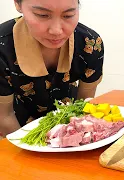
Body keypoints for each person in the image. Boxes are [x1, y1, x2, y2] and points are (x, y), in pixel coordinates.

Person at [0, 0, 104, 136]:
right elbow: (4, 116)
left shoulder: (90, 43)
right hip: (15, 130)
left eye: (68, 15)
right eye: (42, 15)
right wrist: (31, 148)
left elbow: (84, 106)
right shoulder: (3, 46)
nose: (56, 31)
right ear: (18, 4)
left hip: (67, 126)